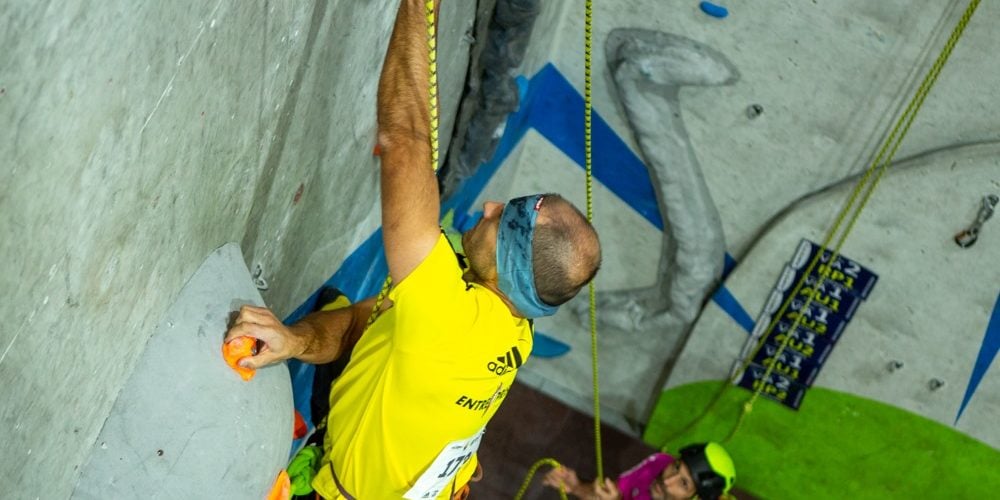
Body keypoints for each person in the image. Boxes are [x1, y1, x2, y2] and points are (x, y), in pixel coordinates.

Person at [223, 0, 602, 498]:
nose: (488, 207)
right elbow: (368, 322)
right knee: (335, 303)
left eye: (500, 219)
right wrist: (294, 341)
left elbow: (404, 141)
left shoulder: (452, 322)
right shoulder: (512, 326)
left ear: (508, 264)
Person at [543, 442, 735, 500]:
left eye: (683, 483)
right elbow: (615, 493)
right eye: (676, 467)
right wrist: (576, 487)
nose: (667, 481)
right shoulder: (659, 463)